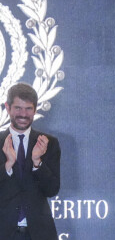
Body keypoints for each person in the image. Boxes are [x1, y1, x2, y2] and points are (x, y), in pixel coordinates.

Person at [0, 83, 61, 240]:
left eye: (28, 109)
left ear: (35, 110)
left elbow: (52, 189)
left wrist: (37, 162)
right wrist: (7, 165)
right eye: (18, 108)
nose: (23, 114)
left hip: (39, 233)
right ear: (8, 107)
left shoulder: (49, 143)